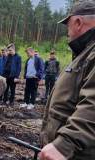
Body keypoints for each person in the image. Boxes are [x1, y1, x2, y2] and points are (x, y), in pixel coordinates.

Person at [39, 1, 95, 160]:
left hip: (74, 153)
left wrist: (64, 145)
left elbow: (93, 103)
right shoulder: (85, 52)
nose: (67, 32)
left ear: (78, 22)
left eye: (67, 25)